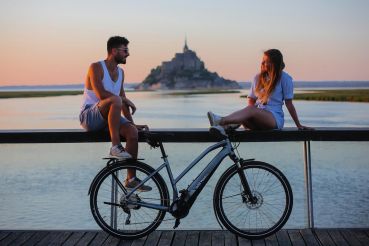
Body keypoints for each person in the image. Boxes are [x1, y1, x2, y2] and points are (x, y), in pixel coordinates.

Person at [79, 36, 151, 191]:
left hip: (109, 118)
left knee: (132, 133)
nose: (128, 54)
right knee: (116, 100)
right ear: (113, 51)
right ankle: (115, 146)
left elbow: (122, 102)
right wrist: (122, 99)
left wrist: (132, 124)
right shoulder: (96, 67)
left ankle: (131, 179)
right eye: (125, 50)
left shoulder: (121, 73)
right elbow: (101, 94)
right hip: (90, 117)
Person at [208, 49, 311, 132]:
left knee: (250, 109)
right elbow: (251, 100)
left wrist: (298, 125)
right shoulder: (257, 77)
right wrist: (247, 115)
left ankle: (221, 121)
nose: (262, 63)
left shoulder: (285, 78)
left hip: (274, 119)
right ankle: (225, 127)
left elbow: (289, 104)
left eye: (265, 61)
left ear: (272, 63)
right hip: (257, 117)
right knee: (249, 110)